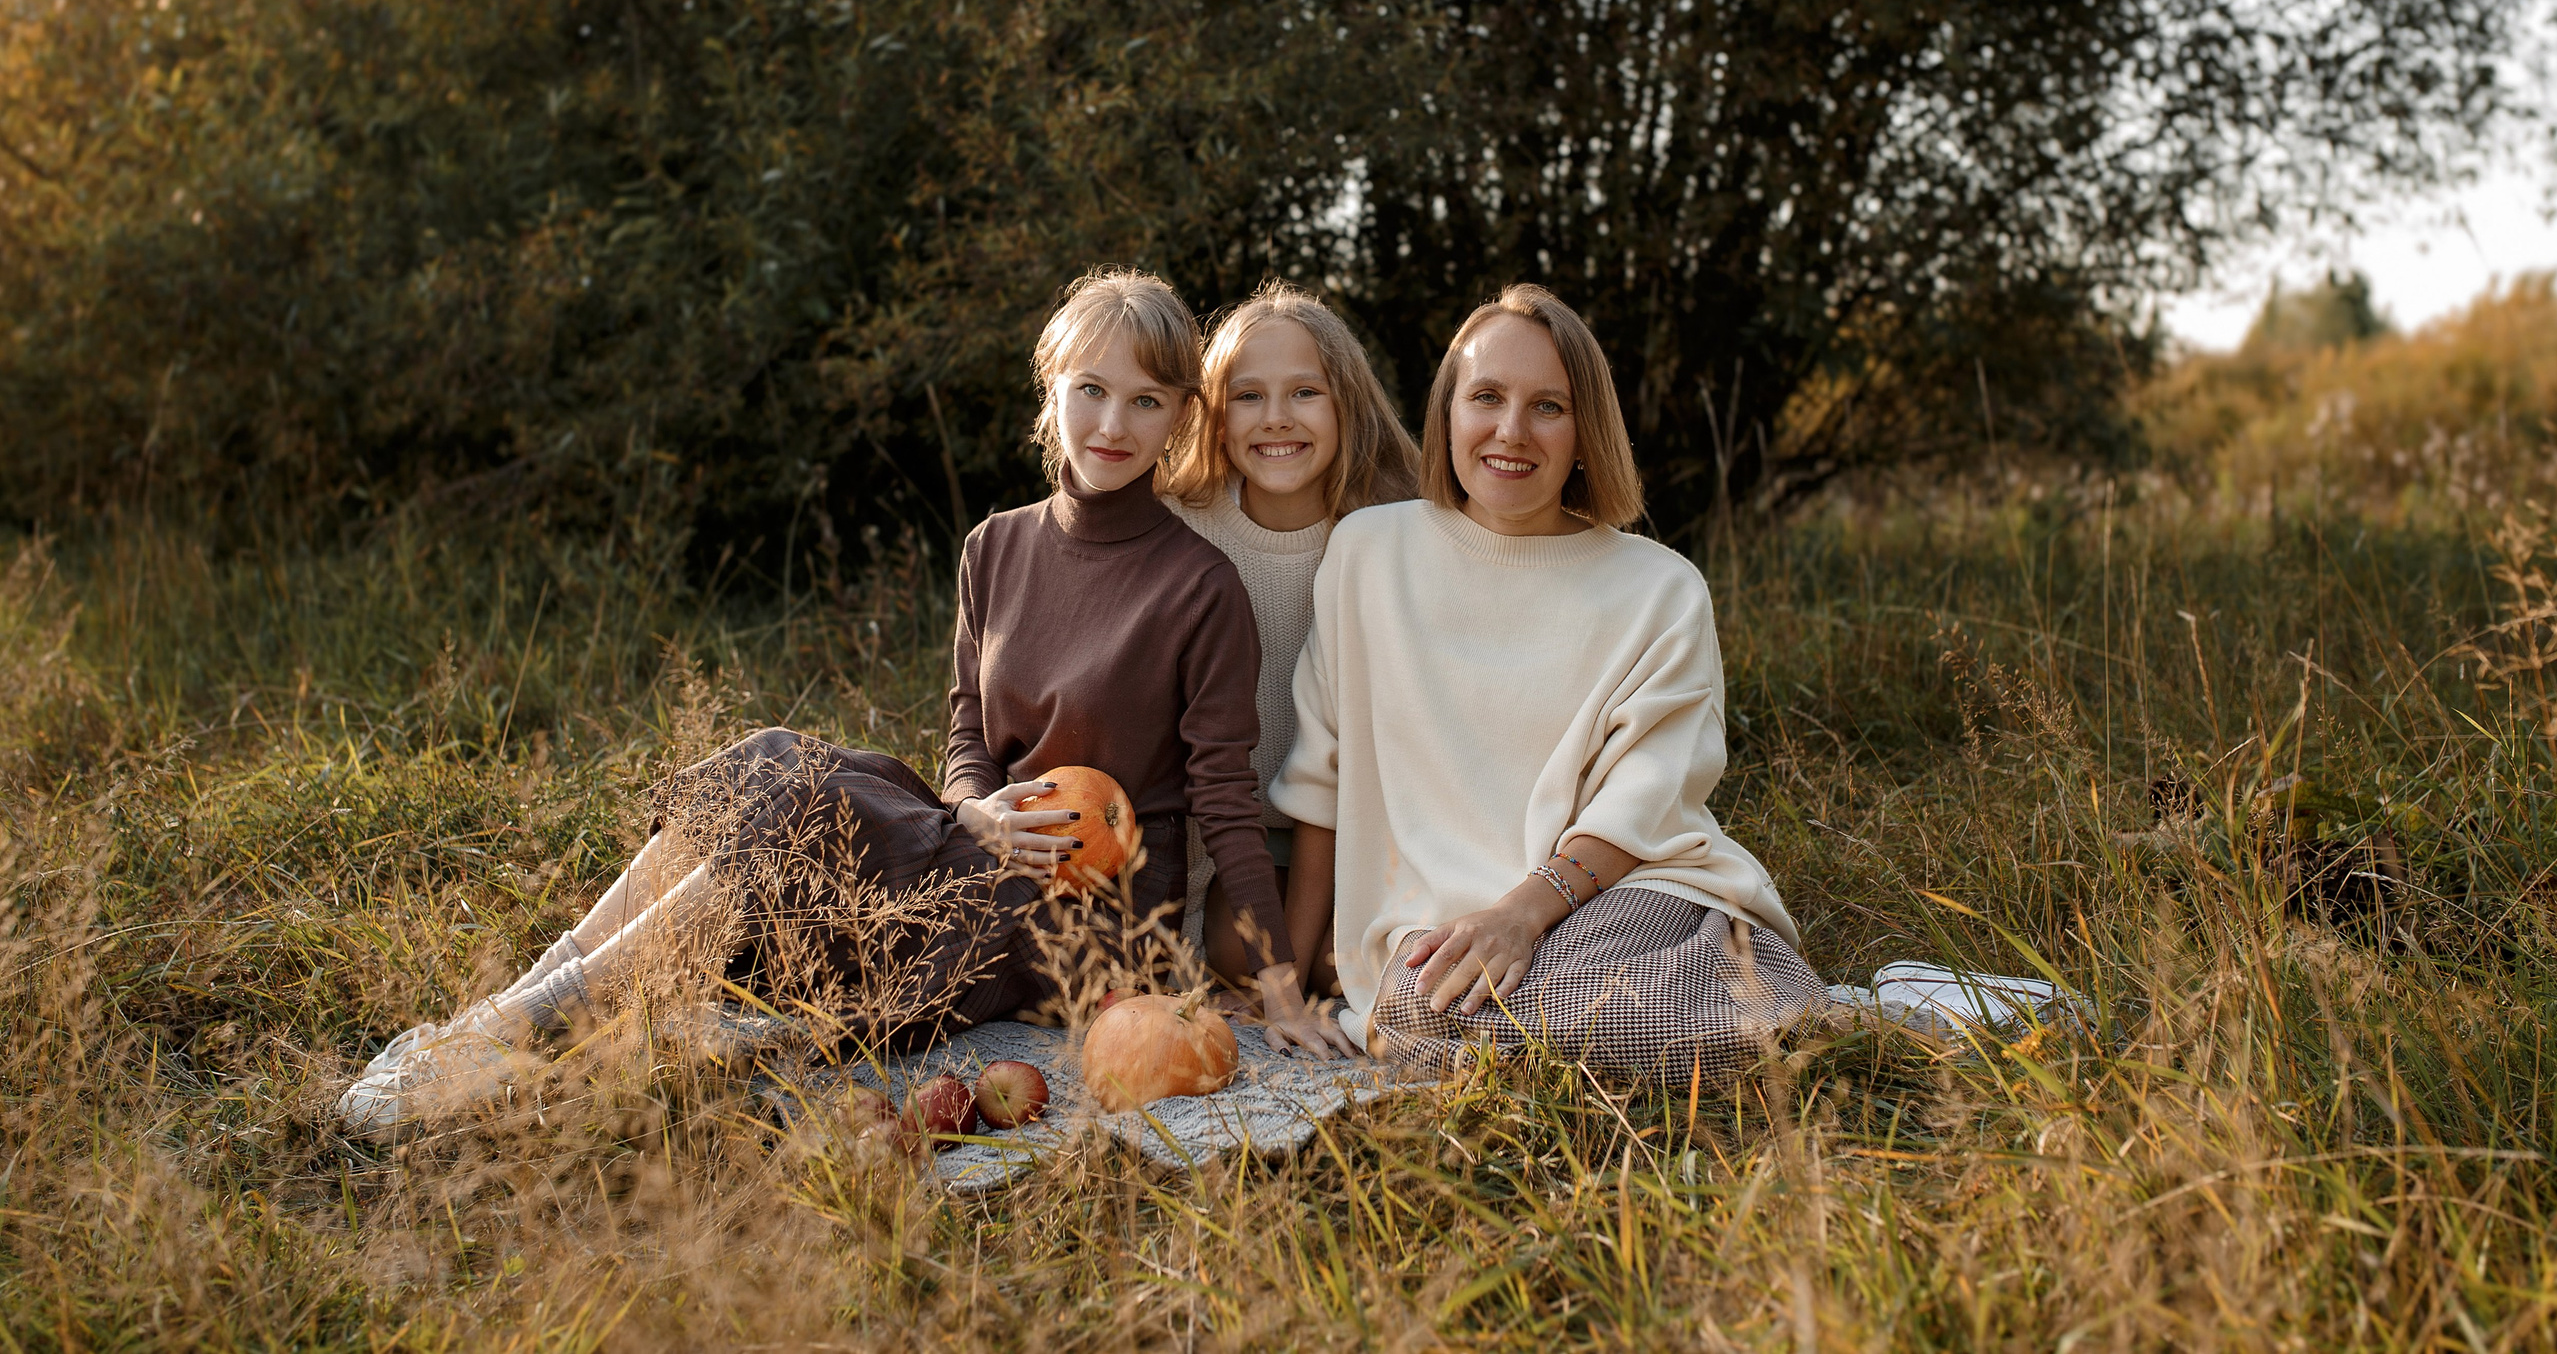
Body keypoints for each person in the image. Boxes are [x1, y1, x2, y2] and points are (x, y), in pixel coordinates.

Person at [338, 270, 1347, 1136]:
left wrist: (1276, 988)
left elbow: (1221, 791)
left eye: (1145, 401)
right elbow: (966, 730)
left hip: (1090, 912)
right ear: (1050, 392)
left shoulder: (1198, 584)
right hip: (982, 842)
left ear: (1180, 417)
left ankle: (510, 1034)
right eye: (1090, 390)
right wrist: (971, 807)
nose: (1112, 425)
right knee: (779, 765)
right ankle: (508, 1017)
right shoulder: (994, 547)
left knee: (825, 806)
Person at [1269, 284, 1822, 1082]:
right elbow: (1320, 786)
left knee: (1545, 1017)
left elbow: (1647, 797)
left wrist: (1520, 916)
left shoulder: (1661, 589)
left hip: (1615, 900)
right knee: (1427, 1010)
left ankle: (1760, 1015)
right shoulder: (1367, 555)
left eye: (1548, 407)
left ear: (1585, 430)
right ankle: (1761, 1031)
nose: (1511, 431)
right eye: (1486, 396)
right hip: (1439, 939)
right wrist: (1293, 976)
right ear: (1447, 414)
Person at [1159, 283, 1421, 988]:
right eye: (1248, 396)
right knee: (1242, 955)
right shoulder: (1179, 527)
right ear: (1214, 416)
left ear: (1346, 404)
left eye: (1305, 391)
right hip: (1226, 838)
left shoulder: (1392, 533)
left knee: (1352, 967)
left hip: (1359, 833)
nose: (1276, 419)